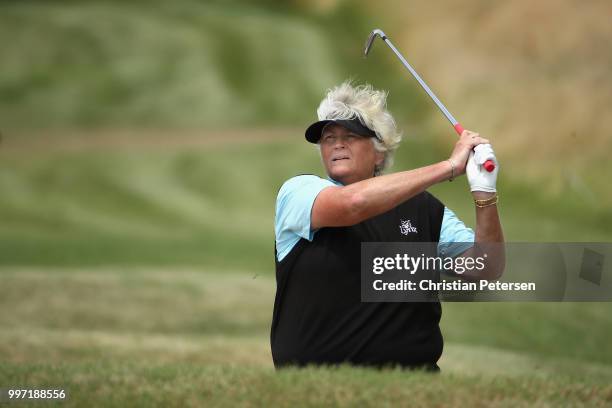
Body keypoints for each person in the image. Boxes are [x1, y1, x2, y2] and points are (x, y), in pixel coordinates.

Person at [271, 81, 504, 370]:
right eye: (329, 138)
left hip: (413, 387)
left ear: (380, 151)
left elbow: (486, 268)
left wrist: (485, 192)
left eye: (350, 135)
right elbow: (352, 204)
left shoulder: (424, 209)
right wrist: (449, 167)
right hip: (316, 388)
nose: (337, 143)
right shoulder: (300, 192)